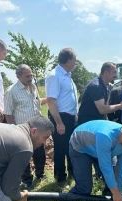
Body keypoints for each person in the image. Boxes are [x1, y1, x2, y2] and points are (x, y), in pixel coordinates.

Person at [4, 64, 48, 191]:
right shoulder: (11, 91)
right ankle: (27, 180)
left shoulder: (33, 87)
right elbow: (8, 112)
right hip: (22, 130)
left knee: (40, 153)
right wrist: (13, 130)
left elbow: (38, 103)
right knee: (24, 156)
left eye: (31, 75)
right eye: (27, 76)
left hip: (37, 129)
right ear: (18, 76)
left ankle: (40, 174)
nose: (30, 78)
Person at [46, 48, 78, 188]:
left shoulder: (67, 75)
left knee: (71, 146)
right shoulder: (55, 75)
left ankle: (72, 172)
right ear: (69, 61)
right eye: (75, 61)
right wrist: (59, 122)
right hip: (60, 117)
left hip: (70, 117)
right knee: (60, 148)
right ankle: (60, 178)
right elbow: (51, 101)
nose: (75, 64)